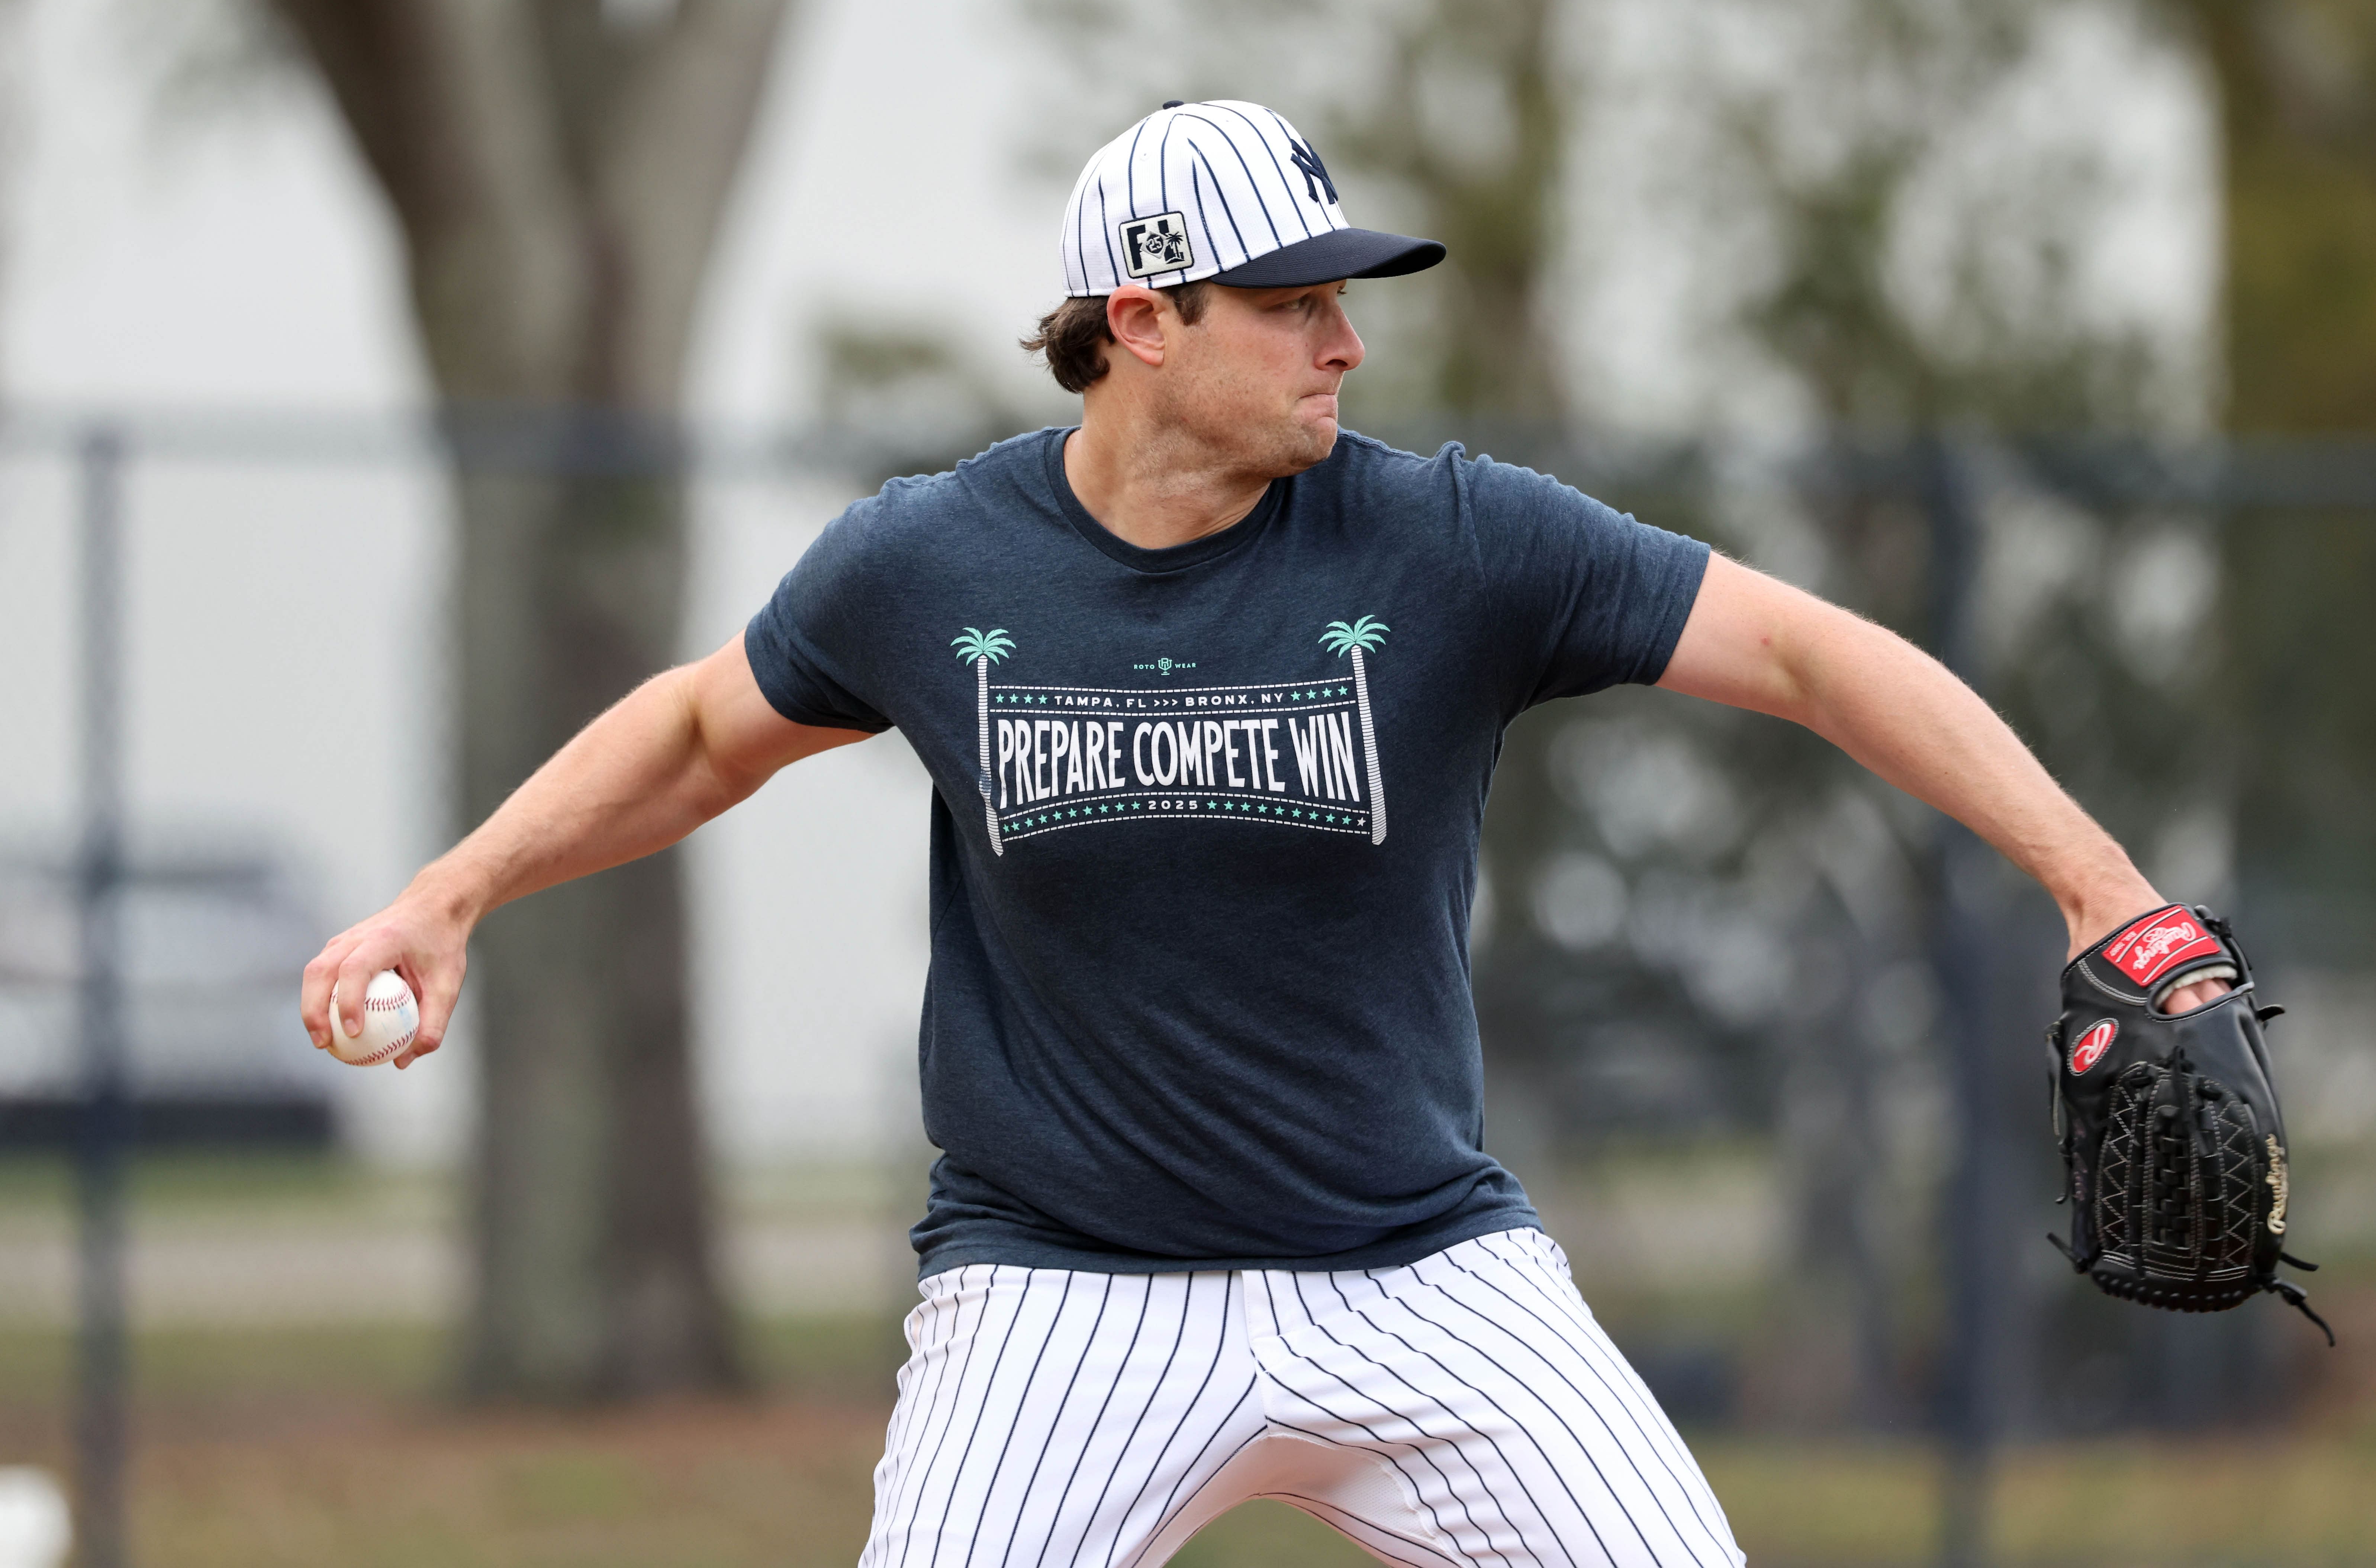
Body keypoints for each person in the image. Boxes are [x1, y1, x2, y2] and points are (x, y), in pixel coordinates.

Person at [302, 101, 2223, 1568]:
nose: (1344, 344)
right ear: (1142, 320)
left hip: (1421, 1274)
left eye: (1345, 300)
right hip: (1058, 1299)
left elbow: (1809, 653)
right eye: (1293, 302)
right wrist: (449, 888)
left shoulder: (1452, 540)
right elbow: (708, 727)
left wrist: (2098, 878)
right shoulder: (930, 560)